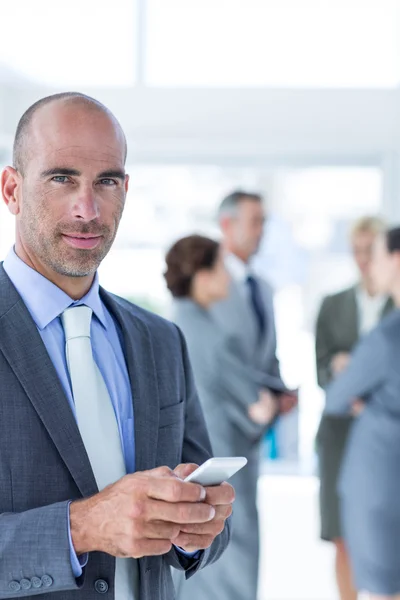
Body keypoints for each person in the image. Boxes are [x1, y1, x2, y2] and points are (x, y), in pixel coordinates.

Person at [0, 92, 234, 600]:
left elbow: (210, 524)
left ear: (125, 189)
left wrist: (199, 527)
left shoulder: (161, 340)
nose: (88, 209)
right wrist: (81, 528)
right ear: (12, 189)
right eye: (62, 178)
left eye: (106, 181)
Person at [164, 234, 281, 600]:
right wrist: (274, 404)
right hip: (219, 458)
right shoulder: (212, 336)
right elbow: (258, 407)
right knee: (231, 555)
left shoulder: (169, 328)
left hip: (185, 457)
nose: (228, 279)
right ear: (201, 275)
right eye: (220, 268)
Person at [206, 190, 296, 600]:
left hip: (252, 434)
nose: (262, 231)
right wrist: (256, 402)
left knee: (246, 532)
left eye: (264, 222)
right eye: (255, 221)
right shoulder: (205, 284)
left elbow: (265, 357)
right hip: (217, 428)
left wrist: (280, 393)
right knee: (220, 535)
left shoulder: (263, 288)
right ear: (228, 225)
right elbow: (211, 358)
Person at [315, 216, 393, 600]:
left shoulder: (392, 310)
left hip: (382, 437)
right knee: (342, 533)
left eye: (371, 251)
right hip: (339, 434)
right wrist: (339, 370)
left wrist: (358, 375)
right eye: (357, 251)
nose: (364, 260)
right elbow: (324, 371)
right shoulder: (333, 304)